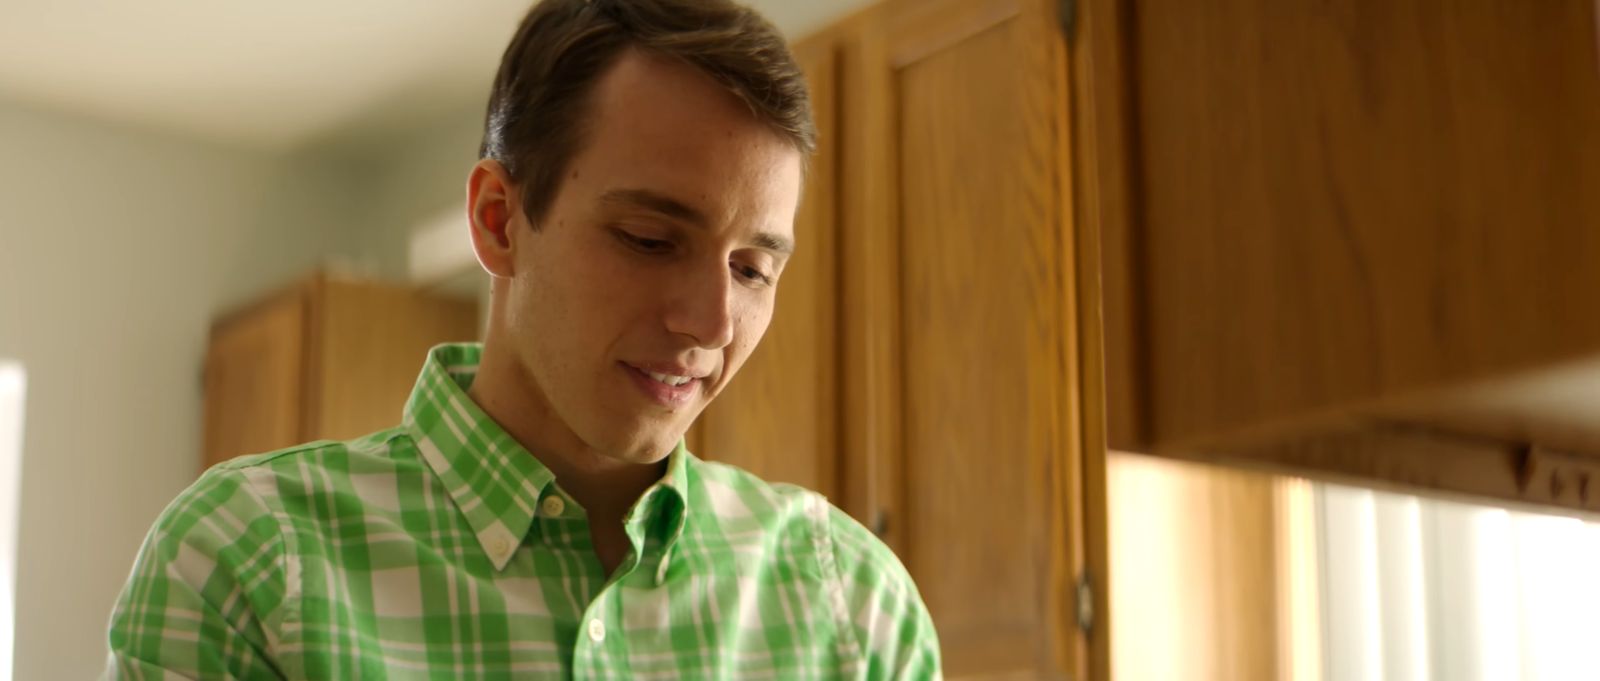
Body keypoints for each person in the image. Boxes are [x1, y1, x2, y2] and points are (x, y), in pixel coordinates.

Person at [103, 0, 940, 678]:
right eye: (650, 239)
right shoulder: (246, 563)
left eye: (754, 269)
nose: (714, 324)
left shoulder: (853, 604)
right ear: (499, 220)